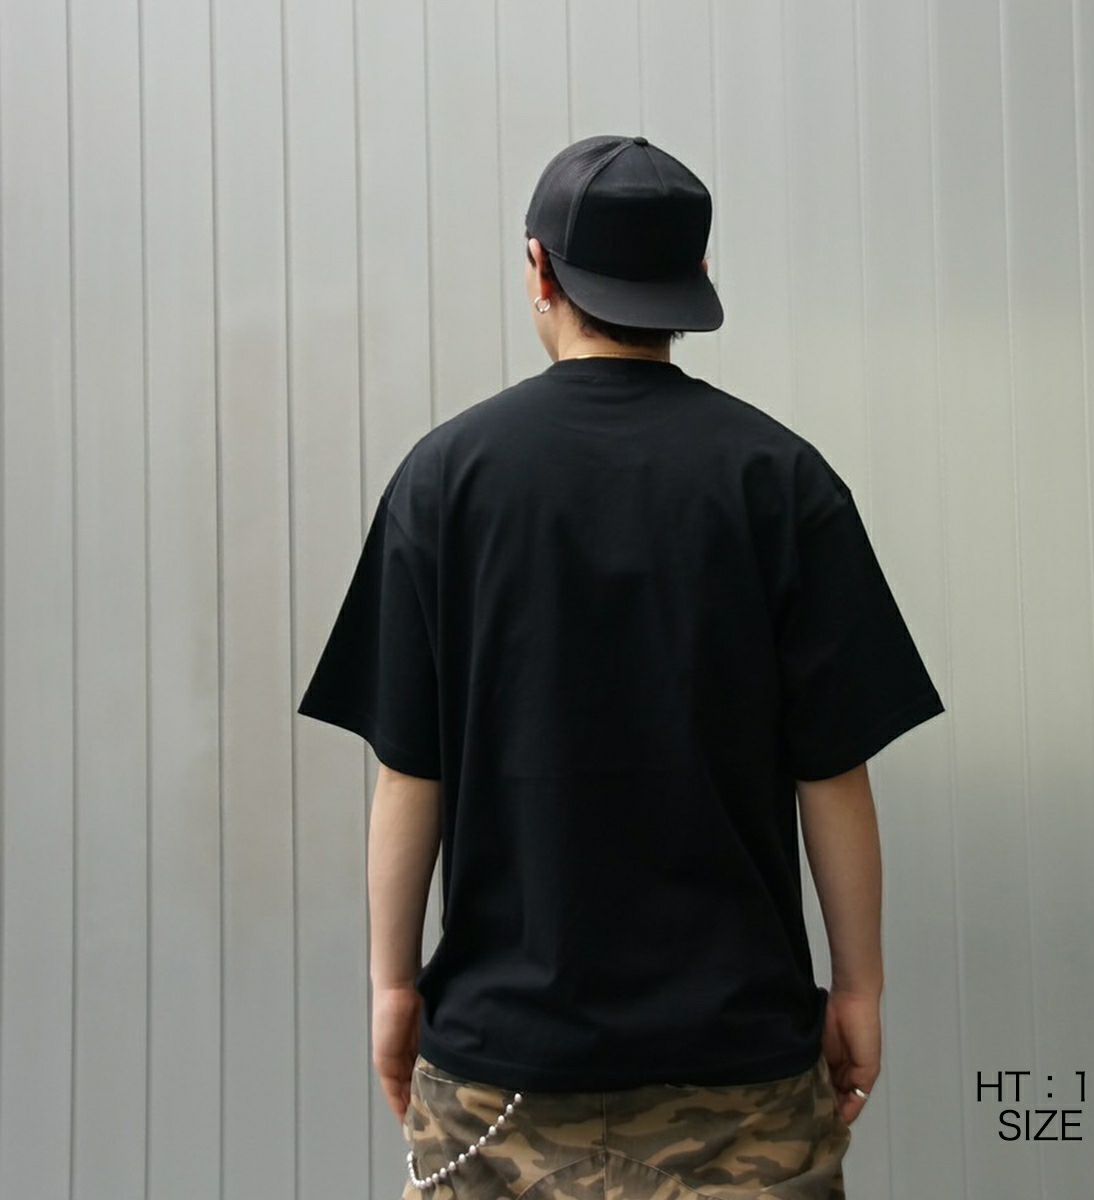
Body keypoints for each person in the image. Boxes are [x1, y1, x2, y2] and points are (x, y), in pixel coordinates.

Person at [297, 133, 946, 1199]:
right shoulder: (783, 482)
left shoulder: (445, 481)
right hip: (742, 1081)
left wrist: (393, 988)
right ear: (694, 281)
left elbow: (412, 771)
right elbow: (833, 774)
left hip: (499, 1079)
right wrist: (860, 990)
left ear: (539, 269)